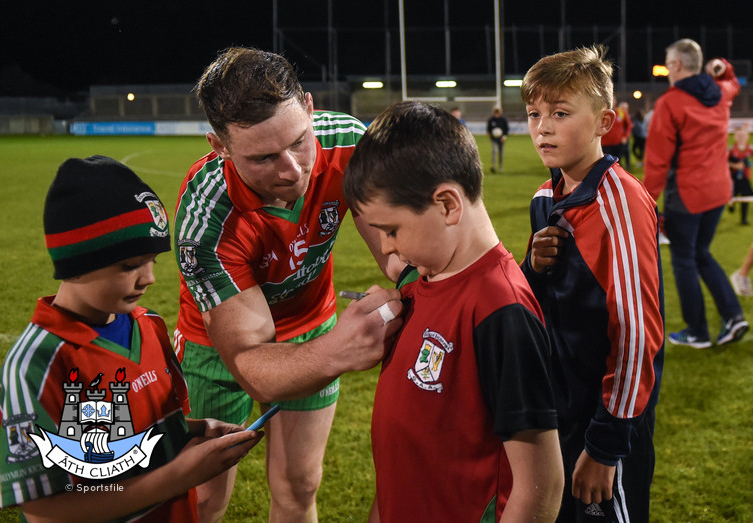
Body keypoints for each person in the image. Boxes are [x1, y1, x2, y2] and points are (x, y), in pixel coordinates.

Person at [173, 47, 403, 522]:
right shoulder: (206, 221)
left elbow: (398, 253)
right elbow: (251, 365)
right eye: (263, 158)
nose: (292, 170)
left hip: (311, 323)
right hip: (217, 348)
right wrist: (341, 350)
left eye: (299, 141)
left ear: (310, 108)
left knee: (299, 486)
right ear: (219, 146)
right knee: (203, 499)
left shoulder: (350, 145)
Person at [0, 155, 263, 522]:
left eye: (152, 261)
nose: (148, 277)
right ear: (78, 260)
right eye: (130, 265)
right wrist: (181, 476)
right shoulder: (34, 366)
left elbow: (157, 425)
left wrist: (199, 429)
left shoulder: (149, 324)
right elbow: (44, 510)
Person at [343, 101, 564, 521]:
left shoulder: (502, 310)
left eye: (391, 230)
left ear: (448, 205)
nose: (386, 248)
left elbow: (541, 485)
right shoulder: (419, 283)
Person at [520, 45, 665, 521]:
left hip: (608, 420)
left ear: (604, 122)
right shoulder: (548, 195)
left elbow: (637, 330)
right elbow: (535, 303)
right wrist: (532, 270)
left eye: (560, 113)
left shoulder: (618, 201)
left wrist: (605, 446)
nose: (543, 126)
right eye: (534, 113)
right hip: (560, 409)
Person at [643, 38, 748, 348]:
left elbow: (658, 164)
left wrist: (648, 204)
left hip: (688, 195)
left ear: (676, 65)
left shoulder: (670, 103)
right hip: (718, 191)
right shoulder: (720, 93)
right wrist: (723, 66)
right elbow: (731, 81)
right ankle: (733, 316)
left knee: (684, 259)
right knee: (701, 253)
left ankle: (697, 331)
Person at [728, 124, 753, 225]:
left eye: (743, 136)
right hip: (733, 179)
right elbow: (723, 162)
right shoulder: (731, 150)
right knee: (731, 196)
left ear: (747, 137)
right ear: (735, 137)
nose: (741, 138)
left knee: (747, 196)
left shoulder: (749, 149)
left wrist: (747, 164)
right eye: (739, 136)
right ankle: (731, 205)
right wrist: (734, 165)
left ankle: (744, 219)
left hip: (744, 177)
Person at [601, 98, 633, 170]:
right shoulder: (602, 113)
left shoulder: (621, 112)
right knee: (607, 165)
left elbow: (629, 125)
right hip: (605, 144)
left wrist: (626, 136)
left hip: (618, 143)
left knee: (617, 164)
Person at [486, 105, 510, 173]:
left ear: (500, 112)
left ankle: (500, 166)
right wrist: (489, 133)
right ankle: (493, 166)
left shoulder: (503, 120)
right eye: (495, 112)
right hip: (494, 139)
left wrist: (504, 136)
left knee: (501, 152)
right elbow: (488, 129)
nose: (497, 113)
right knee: (494, 151)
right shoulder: (491, 120)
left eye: (498, 112)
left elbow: (506, 128)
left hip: (501, 138)